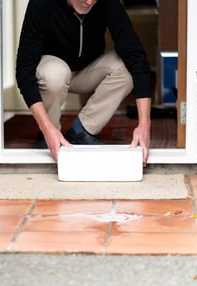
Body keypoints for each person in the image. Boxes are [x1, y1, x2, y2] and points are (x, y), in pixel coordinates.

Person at [15, 0, 152, 166]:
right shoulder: (42, 3)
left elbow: (136, 57)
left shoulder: (107, 3)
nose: (89, 2)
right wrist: (46, 127)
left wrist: (144, 124)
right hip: (53, 71)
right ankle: (49, 134)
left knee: (126, 67)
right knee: (55, 73)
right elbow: (24, 71)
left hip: (88, 72)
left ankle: (82, 131)